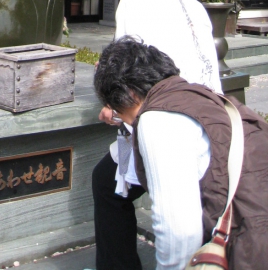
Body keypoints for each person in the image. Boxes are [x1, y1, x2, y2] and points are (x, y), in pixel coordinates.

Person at [91, 0, 221, 270]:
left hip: (171, 121)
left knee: (108, 185)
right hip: (212, 116)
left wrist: (114, 110)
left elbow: (129, 73)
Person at [94, 37, 268, 270]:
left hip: (250, 250)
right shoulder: (200, 97)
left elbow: (179, 235)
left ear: (130, 95)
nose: (121, 120)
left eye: (118, 114)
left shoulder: (157, 120)